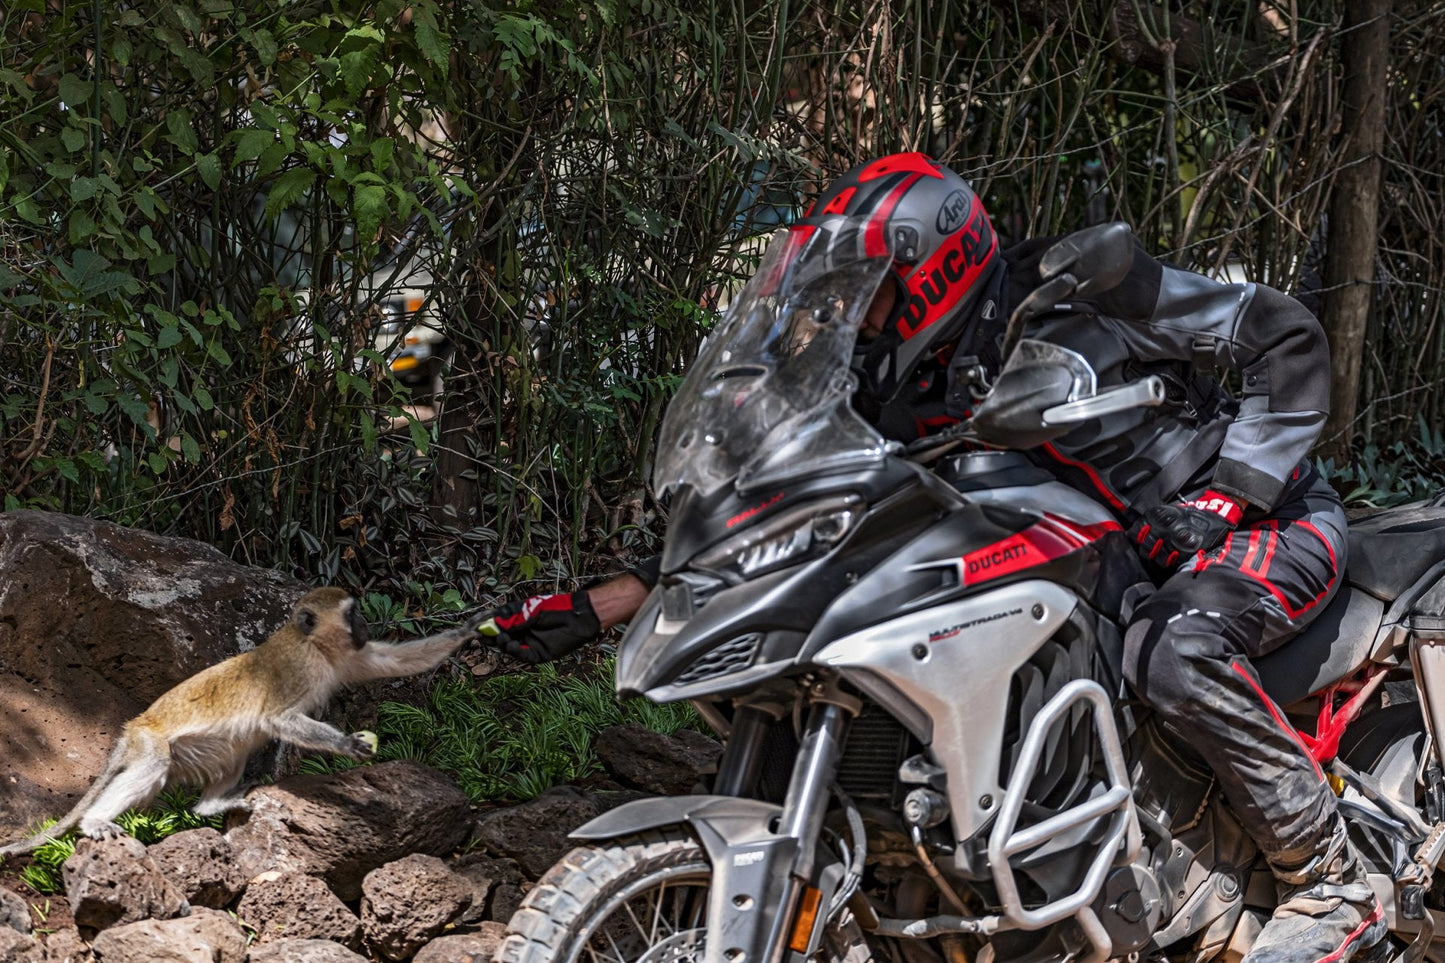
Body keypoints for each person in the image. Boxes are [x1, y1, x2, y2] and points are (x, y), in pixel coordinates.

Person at [470, 153, 1382, 963]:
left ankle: (1328, 871)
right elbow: (795, 500)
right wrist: (601, 605)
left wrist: (1230, 490)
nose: (850, 311)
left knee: (1172, 650)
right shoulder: (886, 377)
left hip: (1258, 525)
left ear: (933, 262)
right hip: (1104, 551)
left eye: (867, 288)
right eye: (839, 292)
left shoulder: (1076, 295)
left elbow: (1282, 334)